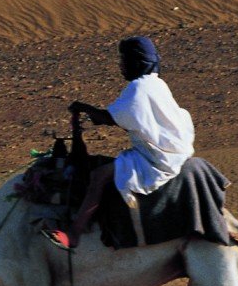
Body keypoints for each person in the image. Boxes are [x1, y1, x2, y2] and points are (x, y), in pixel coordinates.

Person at [46, 34, 195, 249]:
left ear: (137, 62)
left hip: (156, 159)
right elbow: (126, 118)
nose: (121, 66)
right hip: (169, 152)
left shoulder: (139, 88)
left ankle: (75, 233)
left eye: (124, 60)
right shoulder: (157, 84)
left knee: (99, 176)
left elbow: (109, 118)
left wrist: (82, 107)